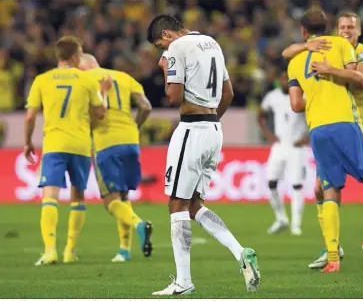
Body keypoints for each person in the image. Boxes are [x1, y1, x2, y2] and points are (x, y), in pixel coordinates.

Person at [147, 15, 260, 295]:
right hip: (213, 130)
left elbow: (173, 96)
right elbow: (229, 93)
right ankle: (240, 252)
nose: (161, 50)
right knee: (194, 205)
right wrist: (210, 120)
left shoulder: (176, 48)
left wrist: (165, 68)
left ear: (166, 33)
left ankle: (183, 282)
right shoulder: (212, 43)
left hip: (192, 130)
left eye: (159, 44)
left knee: (176, 204)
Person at [287, 9, 363, 273]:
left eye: (351, 27)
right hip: (345, 123)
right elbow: (357, 79)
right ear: (334, 29)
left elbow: (362, 81)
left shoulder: (362, 53)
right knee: (330, 187)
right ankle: (334, 251)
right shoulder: (336, 48)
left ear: (359, 31)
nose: (347, 31)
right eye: (343, 27)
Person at [24, 36, 108, 266]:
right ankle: (70, 251)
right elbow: (101, 113)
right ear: (74, 57)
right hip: (80, 145)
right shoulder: (87, 79)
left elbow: (30, 115)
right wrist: (104, 92)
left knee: (49, 196)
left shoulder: (42, 80)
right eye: (80, 53)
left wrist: (27, 142)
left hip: (54, 144)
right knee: (78, 196)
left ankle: (50, 251)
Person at [79, 53, 154, 262]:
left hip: (105, 142)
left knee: (110, 200)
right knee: (123, 197)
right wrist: (134, 127)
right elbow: (146, 106)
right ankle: (124, 249)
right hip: (131, 140)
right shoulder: (124, 77)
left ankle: (139, 224)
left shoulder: (84, 80)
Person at [257, 67, 309, 235]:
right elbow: (260, 115)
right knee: (271, 182)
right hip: (279, 146)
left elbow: (315, 117)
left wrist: (307, 138)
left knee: (296, 185)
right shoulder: (272, 97)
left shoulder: (303, 96)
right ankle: (281, 218)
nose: (284, 82)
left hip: (296, 147)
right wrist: (268, 134)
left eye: (288, 79)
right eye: (282, 78)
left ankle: (296, 224)